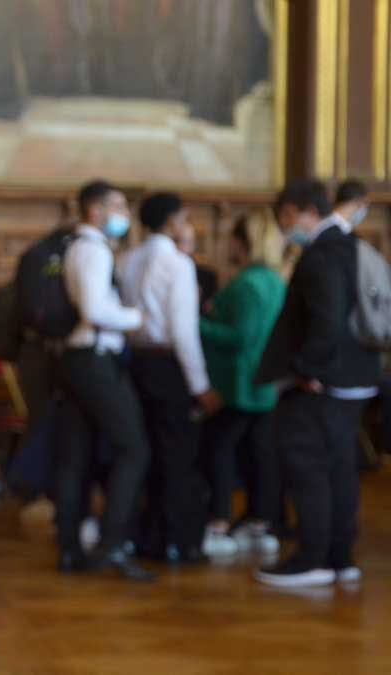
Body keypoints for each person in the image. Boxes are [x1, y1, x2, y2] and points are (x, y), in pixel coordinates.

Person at [255, 178, 379, 587]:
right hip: (355, 375)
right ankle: (339, 556)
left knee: (308, 466)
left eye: (284, 218)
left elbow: (326, 320)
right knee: (339, 468)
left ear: (296, 211)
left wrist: (307, 369)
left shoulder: (322, 253)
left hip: (325, 381)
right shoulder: (350, 244)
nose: (284, 225)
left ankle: (313, 558)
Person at [52, 179, 154, 581]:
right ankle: (112, 544)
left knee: (75, 456)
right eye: (117, 206)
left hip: (78, 360)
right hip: (94, 359)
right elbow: (95, 310)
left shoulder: (79, 247)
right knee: (134, 448)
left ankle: (70, 548)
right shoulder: (93, 249)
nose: (124, 214)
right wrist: (136, 318)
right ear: (95, 211)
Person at [119, 192, 221, 564]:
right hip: (169, 367)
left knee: (147, 453)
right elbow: (183, 331)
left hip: (136, 363)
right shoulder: (177, 263)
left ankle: (149, 537)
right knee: (178, 455)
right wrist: (201, 385)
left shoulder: (126, 259)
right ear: (173, 222)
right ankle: (181, 541)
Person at [199, 209, 286, 557]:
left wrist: (196, 323)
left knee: (219, 451)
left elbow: (240, 336)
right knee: (258, 453)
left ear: (242, 242)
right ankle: (259, 520)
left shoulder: (249, 282)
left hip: (239, 382)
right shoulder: (273, 280)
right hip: (262, 381)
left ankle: (219, 521)